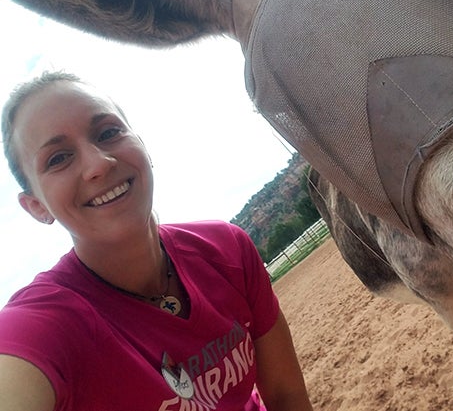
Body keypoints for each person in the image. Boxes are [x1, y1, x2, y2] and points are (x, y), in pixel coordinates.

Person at [0, 71, 314, 411]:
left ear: (142, 145)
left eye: (108, 132)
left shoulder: (227, 249)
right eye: (58, 158)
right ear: (36, 206)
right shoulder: (45, 326)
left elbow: (287, 396)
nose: (98, 164)